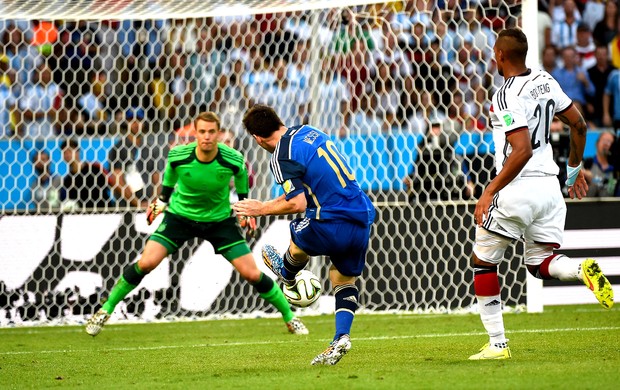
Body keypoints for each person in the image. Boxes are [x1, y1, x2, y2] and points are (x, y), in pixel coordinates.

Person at [85, 111, 307, 337]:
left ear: (218, 133)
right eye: (202, 132)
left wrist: (243, 209)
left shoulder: (232, 158)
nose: (207, 137)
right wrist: (161, 201)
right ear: (195, 133)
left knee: (251, 273)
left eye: (212, 132)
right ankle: (105, 310)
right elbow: (169, 177)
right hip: (180, 218)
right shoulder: (179, 156)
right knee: (146, 263)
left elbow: (241, 179)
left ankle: (290, 317)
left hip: (219, 220)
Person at [469, 28, 614, 361]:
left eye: (494, 51)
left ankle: (498, 344)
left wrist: (488, 191)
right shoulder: (546, 80)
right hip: (550, 188)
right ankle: (580, 271)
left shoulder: (505, 95)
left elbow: (519, 151)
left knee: (483, 262)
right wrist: (574, 171)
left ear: (501, 56)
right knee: (538, 263)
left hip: (517, 188)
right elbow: (579, 125)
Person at [234, 104, 376, 366]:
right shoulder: (308, 132)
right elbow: (305, 188)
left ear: (257, 138)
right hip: (361, 214)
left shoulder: (280, 156)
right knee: (342, 277)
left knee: (297, 240)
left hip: (331, 219)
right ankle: (341, 337)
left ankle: (286, 275)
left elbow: (296, 204)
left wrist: (261, 208)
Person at [60, 138, 111, 210]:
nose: (67, 155)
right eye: (64, 152)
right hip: (83, 217)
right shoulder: (68, 180)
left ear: (78, 151)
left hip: (103, 212)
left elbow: (111, 184)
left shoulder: (95, 169)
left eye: (69, 151)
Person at [583, 131, 617, 197]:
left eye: (609, 142)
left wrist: (593, 180)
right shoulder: (587, 164)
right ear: (597, 143)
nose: (606, 144)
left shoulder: (615, 170)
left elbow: (611, 195)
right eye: (604, 140)